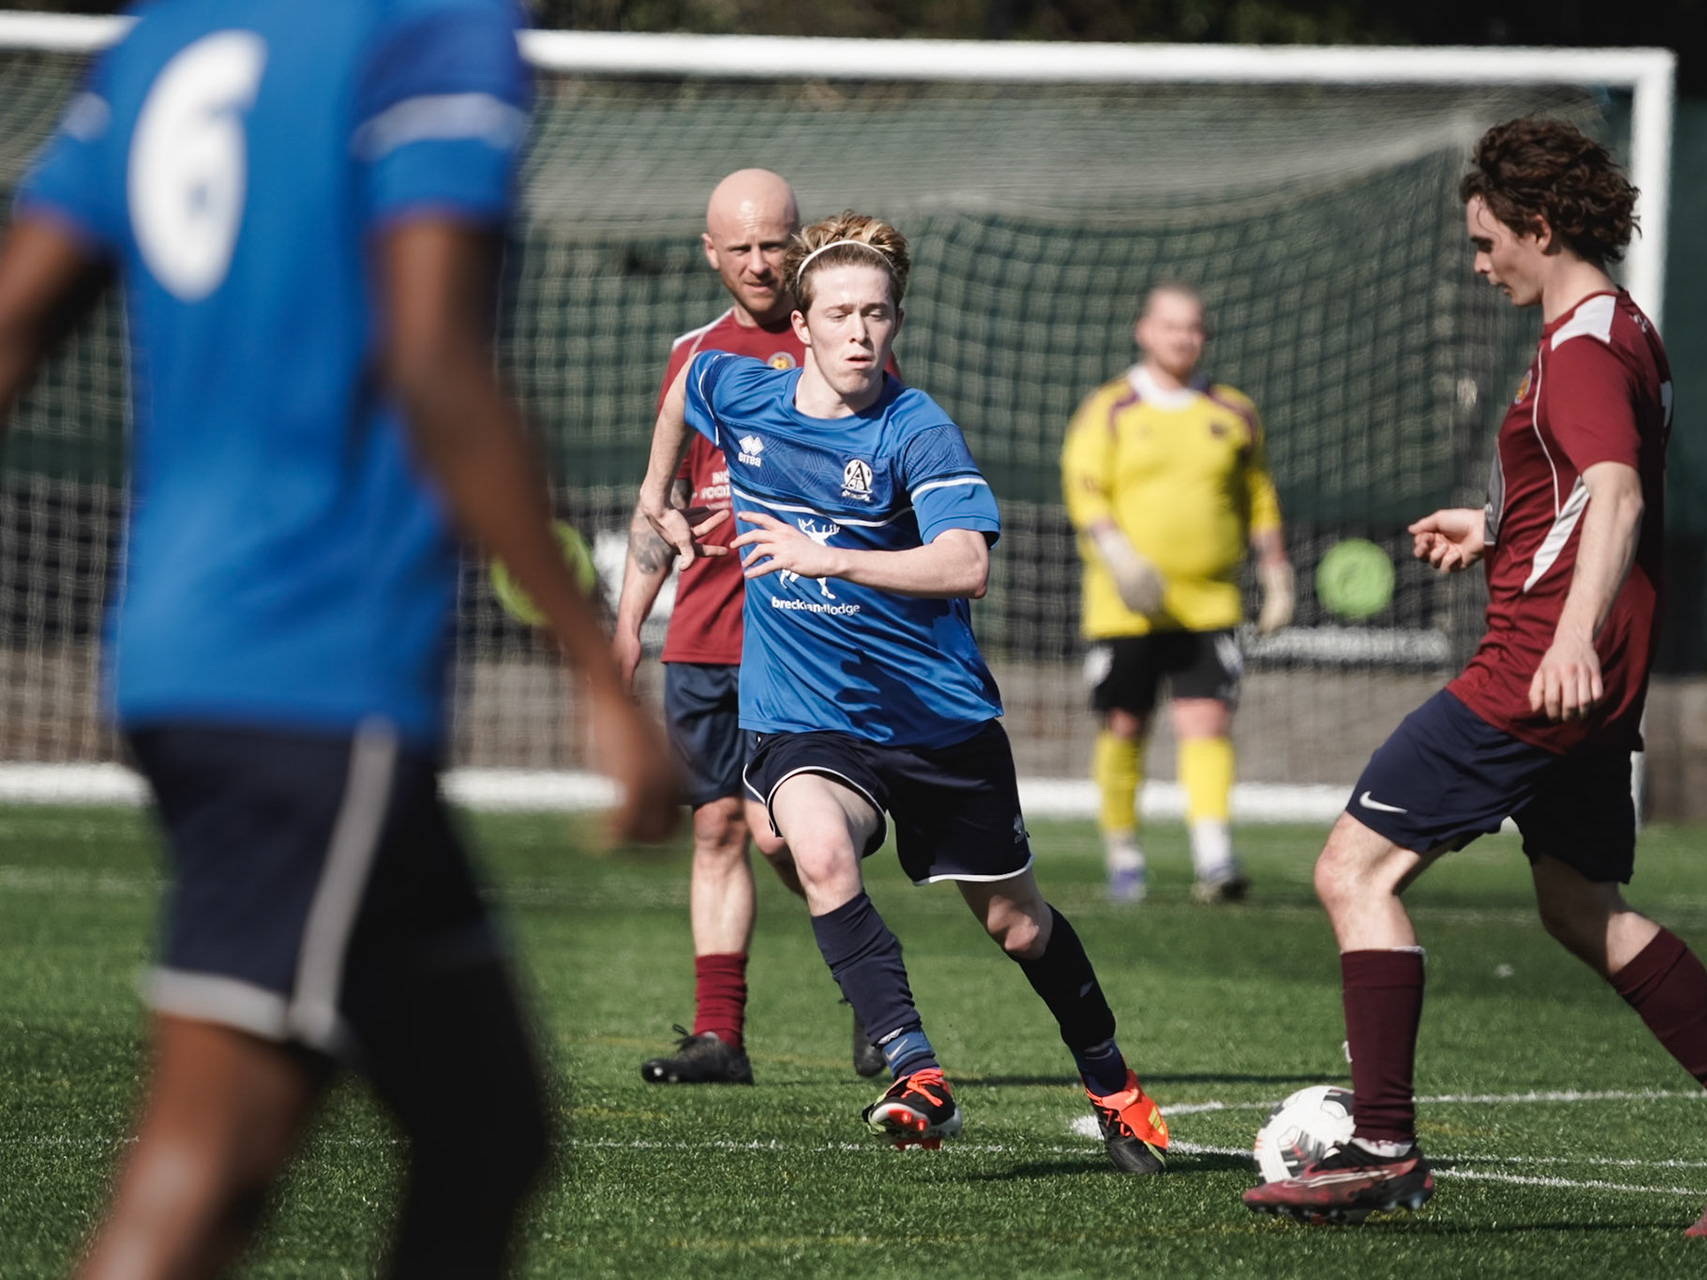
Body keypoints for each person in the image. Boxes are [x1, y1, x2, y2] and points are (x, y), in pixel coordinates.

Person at [0, 3, 679, 1275]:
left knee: (485, 1129)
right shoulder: (428, 25)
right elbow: (434, 362)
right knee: (207, 1156)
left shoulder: (168, 35)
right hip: (309, 667)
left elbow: (13, 319)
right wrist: (599, 671)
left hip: (184, 646)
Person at [1241, 118, 1707, 1234]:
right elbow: (1581, 482)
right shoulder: (1618, 327)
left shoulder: (1583, 346)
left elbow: (1619, 492)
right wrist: (1494, 522)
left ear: (1541, 226)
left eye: (1486, 241)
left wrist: (1568, 635)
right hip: (1582, 676)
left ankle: (1382, 1146)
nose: (1479, 263)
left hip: (1538, 669)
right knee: (1579, 905)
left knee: (1352, 871)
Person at [640, 211, 1171, 1172]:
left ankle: (1113, 1084)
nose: (859, 333)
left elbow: (966, 564)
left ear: (896, 322)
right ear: (799, 325)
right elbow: (686, 388)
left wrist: (831, 558)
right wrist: (656, 495)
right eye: (840, 314)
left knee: (1018, 926)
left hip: (936, 719)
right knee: (814, 849)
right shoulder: (738, 387)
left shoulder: (915, 429)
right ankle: (916, 1070)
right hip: (809, 717)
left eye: (877, 314)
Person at [614, 169, 885, 1084]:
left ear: (800, 240)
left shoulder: (841, 339)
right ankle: (718, 1036)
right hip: (701, 637)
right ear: (711, 253)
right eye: (742, 248)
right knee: (718, 830)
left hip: (801, 641)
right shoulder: (694, 356)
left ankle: (870, 985)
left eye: (776, 244)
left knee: (783, 834)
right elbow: (661, 505)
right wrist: (627, 628)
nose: (762, 263)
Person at [1061, 282, 1294, 905]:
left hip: (1209, 602)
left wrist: (1275, 573)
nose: (1183, 338)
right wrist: (1118, 554)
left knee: (1207, 723)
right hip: (1125, 607)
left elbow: (1259, 496)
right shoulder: (1109, 408)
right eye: (1170, 326)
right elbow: (1084, 488)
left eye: (1193, 327)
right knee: (1124, 726)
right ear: (1144, 331)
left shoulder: (1234, 412)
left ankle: (1215, 858)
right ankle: (1124, 855)